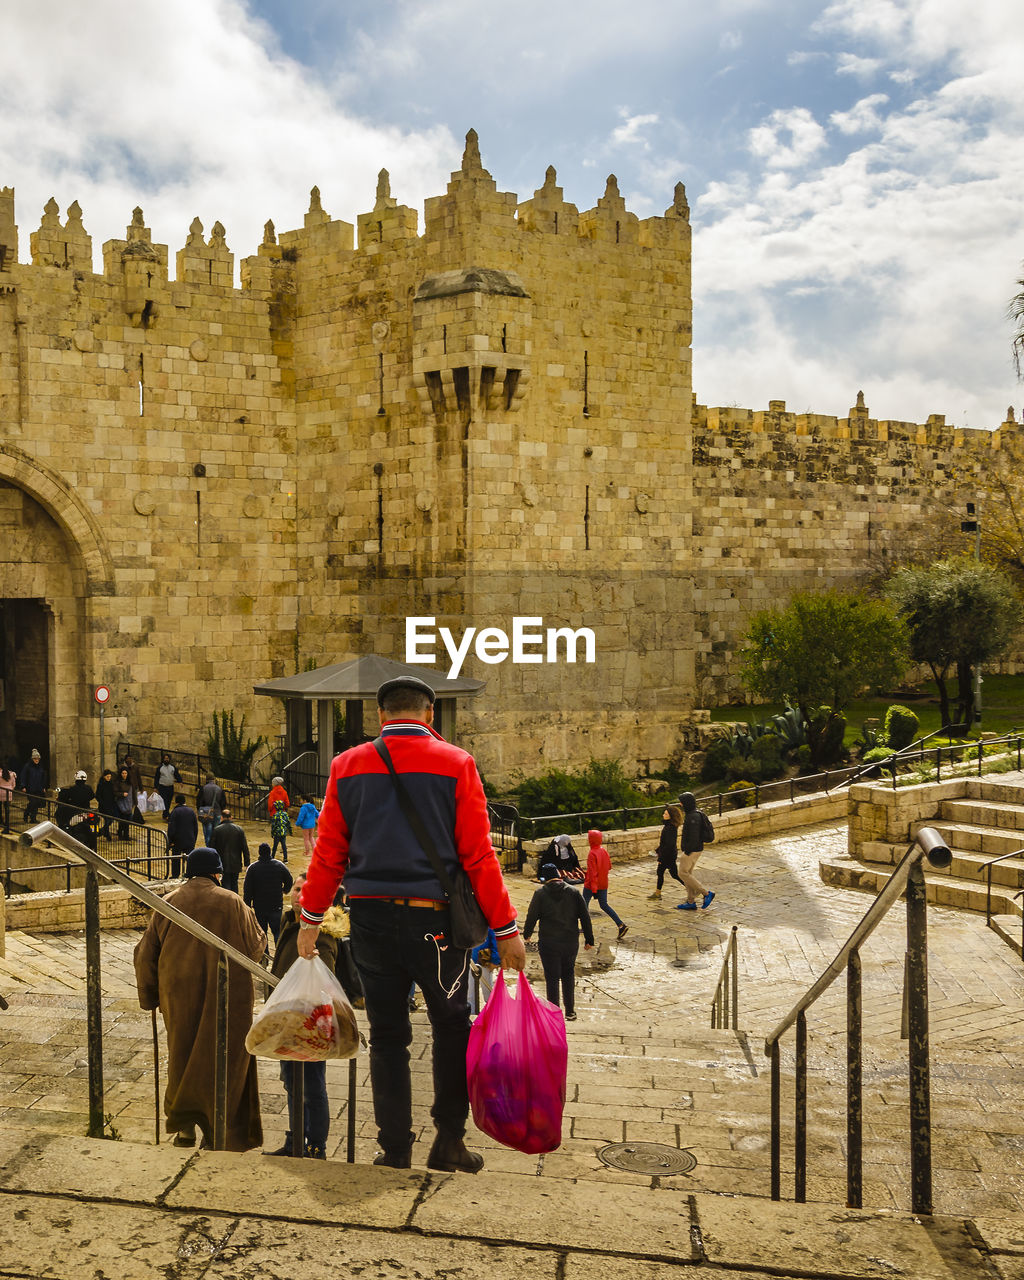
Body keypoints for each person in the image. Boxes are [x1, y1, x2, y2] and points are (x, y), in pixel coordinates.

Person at [296, 674, 526, 1173]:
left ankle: (394, 1148)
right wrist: (506, 929)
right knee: (450, 1029)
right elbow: (478, 855)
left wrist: (310, 920)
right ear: (430, 712)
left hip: (371, 921)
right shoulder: (457, 764)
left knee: (388, 1035)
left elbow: (329, 854)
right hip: (436, 926)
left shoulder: (347, 765)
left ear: (382, 716)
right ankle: (448, 1141)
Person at [133, 846, 266, 1151]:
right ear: (217, 872)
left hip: (177, 995)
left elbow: (144, 954)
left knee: (181, 1054)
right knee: (225, 1059)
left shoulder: (168, 903)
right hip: (228, 996)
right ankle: (219, 1129)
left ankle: (185, 1129)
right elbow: (256, 949)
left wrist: (150, 996)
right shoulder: (232, 901)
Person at [267, 872, 337, 1159]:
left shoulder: (324, 933)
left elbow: (327, 977)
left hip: (310, 1021)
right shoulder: (289, 922)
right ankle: (296, 1139)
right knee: (291, 1081)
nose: (299, 895)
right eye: (296, 889)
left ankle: (315, 1145)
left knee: (313, 1085)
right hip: (287, 1018)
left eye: (305, 891)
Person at [522, 861, 594, 1021]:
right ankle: (570, 1011)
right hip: (570, 941)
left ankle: (554, 1014)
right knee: (568, 974)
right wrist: (589, 939)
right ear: (558, 876)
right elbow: (585, 916)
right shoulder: (574, 892)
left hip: (549, 942)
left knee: (552, 977)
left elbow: (532, 915)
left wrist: (527, 933)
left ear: (545, 879)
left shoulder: (540, 894)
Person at [243, 841, 293, 948]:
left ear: (259, 853)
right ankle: (278, 956)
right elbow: (289, 879)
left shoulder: (253, 868)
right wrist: (285, 890)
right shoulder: (279, 865)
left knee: (262, 933)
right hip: (276, 905)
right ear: (270, 852)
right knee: (277, 933)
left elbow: (247, 889)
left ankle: (264, 958)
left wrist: (247, 906)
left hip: (260, 906)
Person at [582, 828, 628, 939]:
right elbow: (609, 866)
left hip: (591, 884)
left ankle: (586, 928)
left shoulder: (592, 853)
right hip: (603, 883)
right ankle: (620, 924)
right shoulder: (603, 850)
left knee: (584, 905)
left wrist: (594, 889)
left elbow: (593, 873)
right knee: (604, 905)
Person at [676, 791, 715, 911]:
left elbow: (693, 837)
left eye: (682, 802)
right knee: (688, 875)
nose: (680, 805)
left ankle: (706, 893)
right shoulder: (695, 814)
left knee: (682, 874)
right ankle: (690, 901)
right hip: (697, 849)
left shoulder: (692, 817)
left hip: (691, 851)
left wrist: (686, 852)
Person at [209, 806, 250, 894]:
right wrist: (247, 863)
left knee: (225, 884)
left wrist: (212, 864)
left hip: (222, 862)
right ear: (231, 817)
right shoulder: (239, 830)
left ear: (221, 817)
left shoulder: (217, 830)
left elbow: (211, 849)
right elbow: (245, 848)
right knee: (234, 883)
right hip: (236, 862)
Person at [649, 803, 685, 899]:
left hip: (668, 856)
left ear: (670, 816)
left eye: (665, 814)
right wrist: (657, 850)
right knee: (665, 873)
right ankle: (657, 893)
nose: (663, 815)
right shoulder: (670, 826)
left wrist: (661, 858)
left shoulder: (670, 828)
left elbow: (668, 845)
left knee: (674, 875)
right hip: (669, 855)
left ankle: (693, 888)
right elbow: (665, 843)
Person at [166, 793, 199, 879]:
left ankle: (175, 875)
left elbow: (171, 828)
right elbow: (196, 827)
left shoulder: (175, 812)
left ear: (176, 802)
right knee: (189, 858)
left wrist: (170, 840)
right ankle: (189, 874)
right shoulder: (191, 811)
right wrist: (194, 839)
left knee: (176, 859)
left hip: (177, 840)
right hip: (190, 839)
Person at [196, 774, 227, 844]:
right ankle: (216, 847)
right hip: (217, 812)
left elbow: (199, 802)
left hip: (206, 813)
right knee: (216, 832)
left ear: (206, 779)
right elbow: (223, 803)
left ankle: (209, 848)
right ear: (214, 779)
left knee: (208, 833)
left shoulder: (203, 788)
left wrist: (200, 811)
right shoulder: (219, 789)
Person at [19, 749, 47, 823]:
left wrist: (44, 787)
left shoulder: (40, 767)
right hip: (30, 788)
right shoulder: (27, 766)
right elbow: (23, 776)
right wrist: (23, 786)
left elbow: (43, 777)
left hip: (39, 788)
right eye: (35, 758)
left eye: (38, 758)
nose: (37, 760)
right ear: (32, 759)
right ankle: (26, 813)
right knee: (33, 802)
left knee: (37, 803)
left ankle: (33, 818)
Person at [154, 753, 183, 821]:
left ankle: (165, 814)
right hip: (162, 787)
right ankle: (166, 814)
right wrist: (155, 787)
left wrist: (180, 781)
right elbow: (156, 778)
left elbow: (176, 775)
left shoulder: (172, 767)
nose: (166, 760)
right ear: (163, 759)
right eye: (165, 758)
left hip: (170, 787)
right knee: (165, 801)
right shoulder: (160, 768)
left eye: (167, 758)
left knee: (169, 801)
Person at [114, 765, 137, 840]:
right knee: (122, 820)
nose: (124, 775)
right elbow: (115, 792)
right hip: (121, 804)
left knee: (128, 820)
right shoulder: (118, 782)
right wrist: (122, 794)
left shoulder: (130, 782)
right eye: (123, 773)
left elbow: (133, 792)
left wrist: (135, 802)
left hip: (129, 803)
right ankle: (121, 834)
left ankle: (126, 835)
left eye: (125, 773)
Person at [95, 768, 117, 839]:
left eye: (110, 777)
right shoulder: (101, 785)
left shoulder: (111, 784)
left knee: (110, 820)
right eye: (107, 777)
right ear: (104, 776)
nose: (109, 778)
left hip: (111, 805)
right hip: (104, 806)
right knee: (107, 820)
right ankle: (107, 834)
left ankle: (103, 831)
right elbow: (98, 795)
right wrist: (102, 802)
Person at [0, 764, 16, 833]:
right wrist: (10, 789)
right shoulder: (12, 774)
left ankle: (1, 821)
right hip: (8, 793)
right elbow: (14, 785)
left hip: (0, 792)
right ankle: (7, 824)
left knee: (0, 808)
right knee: (7, 809)